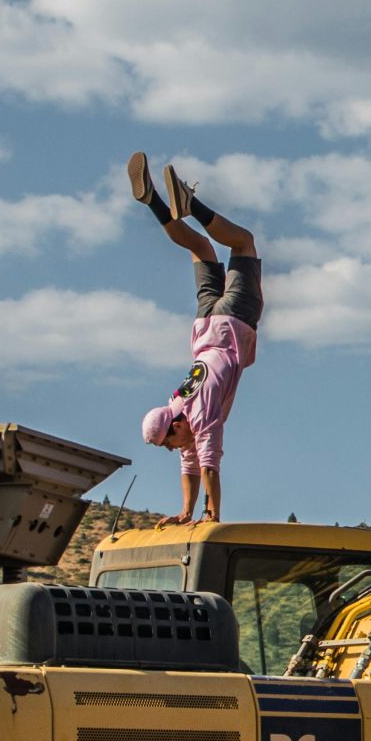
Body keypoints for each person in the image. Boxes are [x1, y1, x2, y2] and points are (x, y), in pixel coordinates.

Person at [129, 151, 261, 525]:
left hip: (233, 323)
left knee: (244, 244)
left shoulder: (197, 413)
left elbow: (209, 465)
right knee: (200, 248)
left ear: (176, 425)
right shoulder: (177, 402)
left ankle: (191, 205)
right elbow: (190, 460)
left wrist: (211, 514)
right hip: (204, 327)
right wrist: (186, 513)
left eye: (169, 443)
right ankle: (153, 200)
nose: (174, 450)